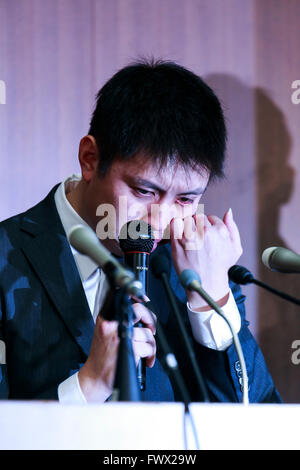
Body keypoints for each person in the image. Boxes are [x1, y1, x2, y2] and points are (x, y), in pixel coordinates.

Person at [0, 59, 281, 403]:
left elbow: (260, 421)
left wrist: (213, 301)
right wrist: (89, 384)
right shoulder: (6, 254)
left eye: (187, 198)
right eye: (144, 191)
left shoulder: (197, 267)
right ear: (89, 159)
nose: (160, 220)